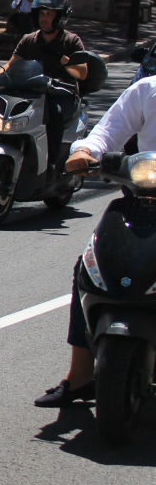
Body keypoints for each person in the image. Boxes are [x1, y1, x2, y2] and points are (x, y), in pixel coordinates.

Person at [34, 74, 156, 407]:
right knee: (91, 267)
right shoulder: (147, 90)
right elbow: (107, 130)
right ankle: (81, 375)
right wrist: (86, 150)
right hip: (144, 200)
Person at [0, 0, 87, 163]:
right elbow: (10, 64)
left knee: (54, 112)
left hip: (61, 95)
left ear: (60, 17)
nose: (44, 18)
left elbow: (81, 73)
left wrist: (64, 59)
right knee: (3, 107)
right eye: (41, 13)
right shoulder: (29, 40)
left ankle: (52, 162)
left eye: (49, 14)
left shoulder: (71, 41)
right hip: (31, 93)